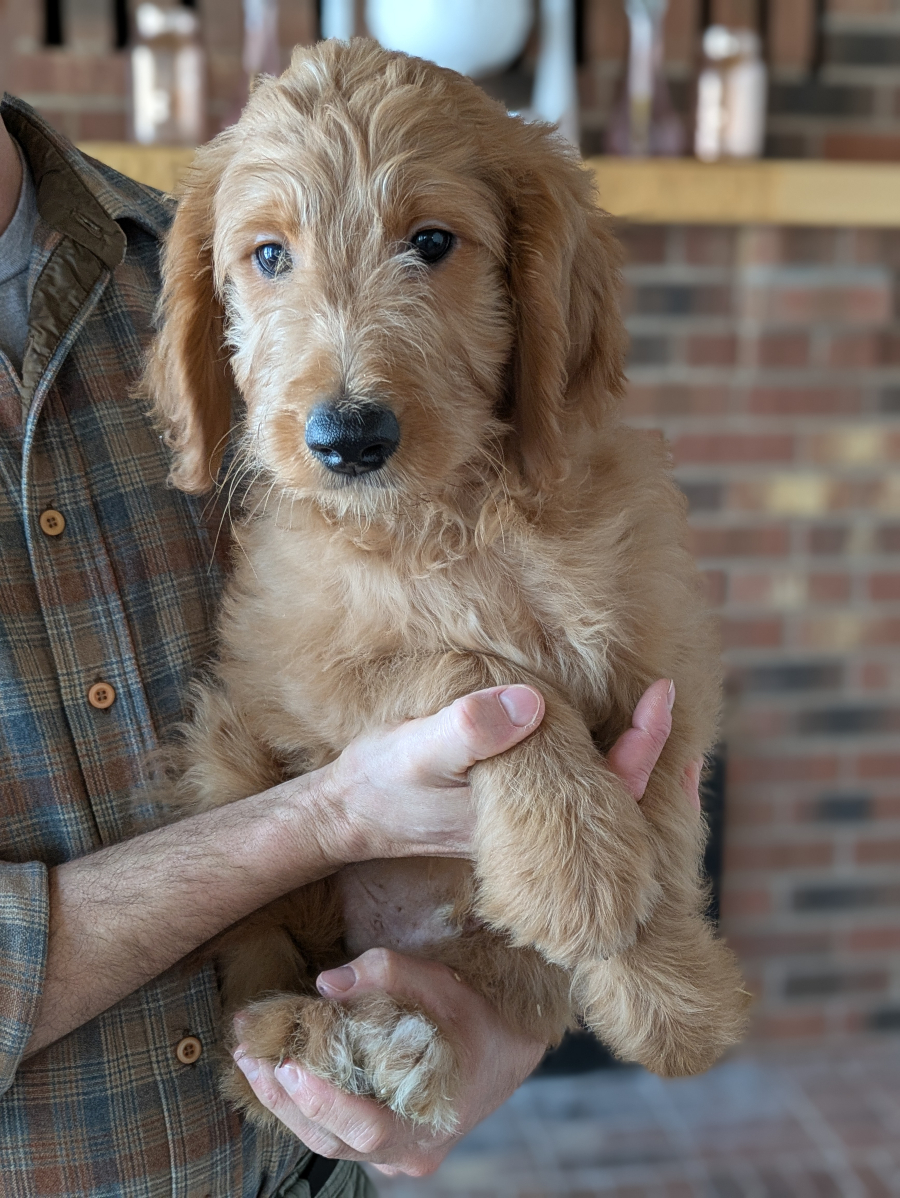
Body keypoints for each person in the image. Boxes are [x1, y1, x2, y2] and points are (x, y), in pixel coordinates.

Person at [0, 56, 694, 1198]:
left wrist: (494, 1030)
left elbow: (587, 713)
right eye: (271, 260)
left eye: (428, 247)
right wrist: (322, 818)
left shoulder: (161, 242)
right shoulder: (204, 268)